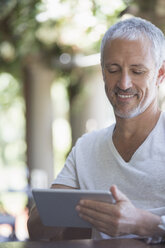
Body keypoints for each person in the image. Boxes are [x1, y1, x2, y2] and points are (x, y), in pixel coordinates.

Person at [27, 17, 165, 243]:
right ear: (102, 72)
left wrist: (140, 222)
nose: (124, 83)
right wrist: (53, 213)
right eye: (113, 69)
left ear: (160, 73)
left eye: (137, 71)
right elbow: (36, 230)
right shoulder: (86, 148)